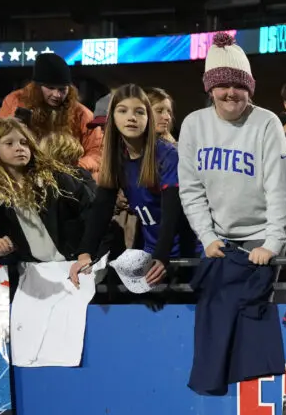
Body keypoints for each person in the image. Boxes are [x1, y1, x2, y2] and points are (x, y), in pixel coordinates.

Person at [179, 32, 286, 266]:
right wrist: (207, 237)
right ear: (210, 89)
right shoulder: (193, 123)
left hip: (263, 235)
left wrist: (272, 243)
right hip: (217, 238)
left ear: (249, 89)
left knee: (253, 302)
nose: (231, 92)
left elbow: (279, 189)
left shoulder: (267, 122)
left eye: (238, 85)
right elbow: (191, 190)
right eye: (222, 85)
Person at [72, 84, 194, 287]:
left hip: (186, 255)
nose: (131, 117)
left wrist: (161, 257)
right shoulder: (117, 159)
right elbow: (101, 210)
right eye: (123, 111)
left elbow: (172, 213)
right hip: (153, 256)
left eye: (139, 112)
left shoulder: (168, 155)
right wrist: (85, 253)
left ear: (148, 118)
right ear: (113, 119)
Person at [0, 118, 101, 266]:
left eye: (24, 142)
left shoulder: (56, 180)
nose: (19, 148)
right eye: (9, 143)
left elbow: (93, 214)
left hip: (75, 264)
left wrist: (85, 253)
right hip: (30, 272)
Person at [0, 53, 102, 175]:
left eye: (62, 89)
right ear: (37, 87)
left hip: (69, 178)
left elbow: (97, 152)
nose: (57, 95)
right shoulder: (15, 101)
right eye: (50, 88)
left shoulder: (82, 114)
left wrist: (72, 170)